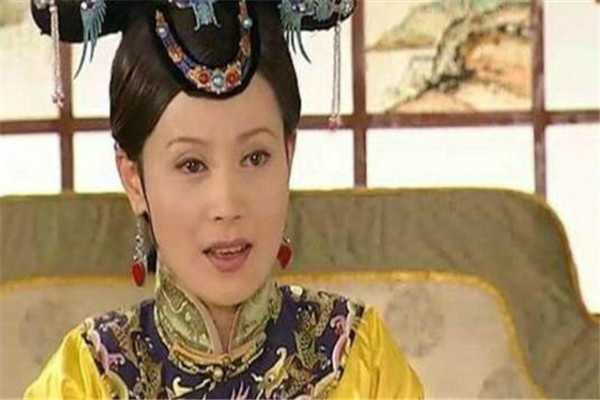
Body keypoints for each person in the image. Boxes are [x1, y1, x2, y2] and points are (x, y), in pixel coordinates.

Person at [24, 0, 424, 398]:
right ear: (134, 180)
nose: (228, 205)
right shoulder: (86, 378)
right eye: (192, 165)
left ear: (289, 154)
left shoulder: (360, 361)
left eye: (255, 157)